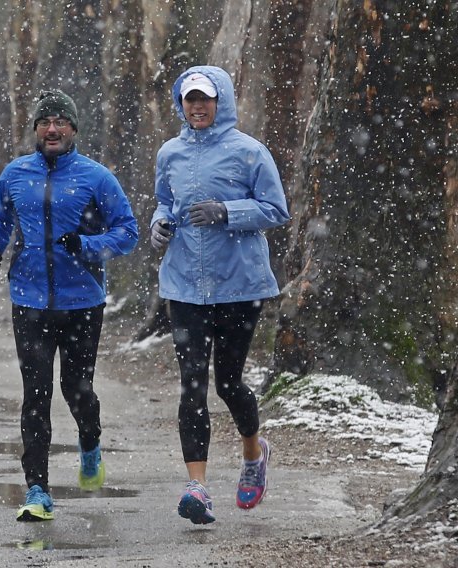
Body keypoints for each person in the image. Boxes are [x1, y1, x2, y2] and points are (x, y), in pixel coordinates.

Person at [0, 89, 138, 522]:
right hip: (28, 299)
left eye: (61, 122)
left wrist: (87, 246)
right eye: (45, 121)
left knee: (77, 390)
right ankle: (37, 490)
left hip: (82, 301)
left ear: (74, 129)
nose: (53, 129)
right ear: (34, 129)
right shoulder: (14, 174)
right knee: (36, 394)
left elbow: (128, 231)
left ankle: (90, 442)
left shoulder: (96, 177)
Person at [150, 66, 290, 524]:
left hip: (239, 285)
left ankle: (254, 454)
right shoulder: (169, 152)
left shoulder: (249, 152)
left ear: (221, 102)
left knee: (228, 381)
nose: (198, 107)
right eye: (190, 100)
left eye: (205, 100)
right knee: (192, 383)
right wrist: (160, 225)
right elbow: (163, 202)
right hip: (185, 284)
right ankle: (198, 487)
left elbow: (275, 209)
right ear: (181, 104)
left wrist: (227, 211)